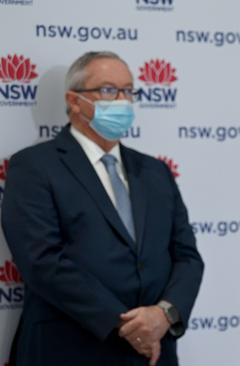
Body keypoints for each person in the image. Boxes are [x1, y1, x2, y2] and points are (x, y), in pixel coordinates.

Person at [1, 51, 204, 366]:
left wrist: (164, 314)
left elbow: (187, 256)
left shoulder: (155, 172)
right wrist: (124, 324)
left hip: (154, 351)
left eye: (128, 90)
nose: (122, 101)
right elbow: (41, 260)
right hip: (70, 348)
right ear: (74, 100)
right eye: (109, 90)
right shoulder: (34, 166)